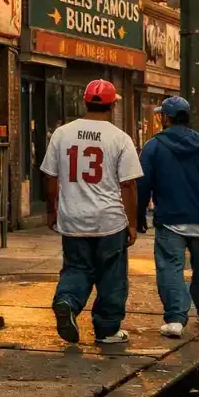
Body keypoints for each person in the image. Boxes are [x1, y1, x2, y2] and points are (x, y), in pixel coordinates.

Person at [42, 79, 142, 345]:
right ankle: (107, 329)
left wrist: (52, 211)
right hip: (109, 221)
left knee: (76, 268)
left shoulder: (62, 134)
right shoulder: (120, 138)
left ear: (84, 101)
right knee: (111, 275)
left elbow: (50, 177)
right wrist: (132, 224)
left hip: (73, 218)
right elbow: (128, 185)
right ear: (112, 105)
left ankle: (67, 301)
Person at [137, 96, 199, 339]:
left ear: (166, 118)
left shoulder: (153, 146)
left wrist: (138, 216)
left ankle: (175, 319)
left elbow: (142, 185)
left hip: (169, 220)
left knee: (170, 267)